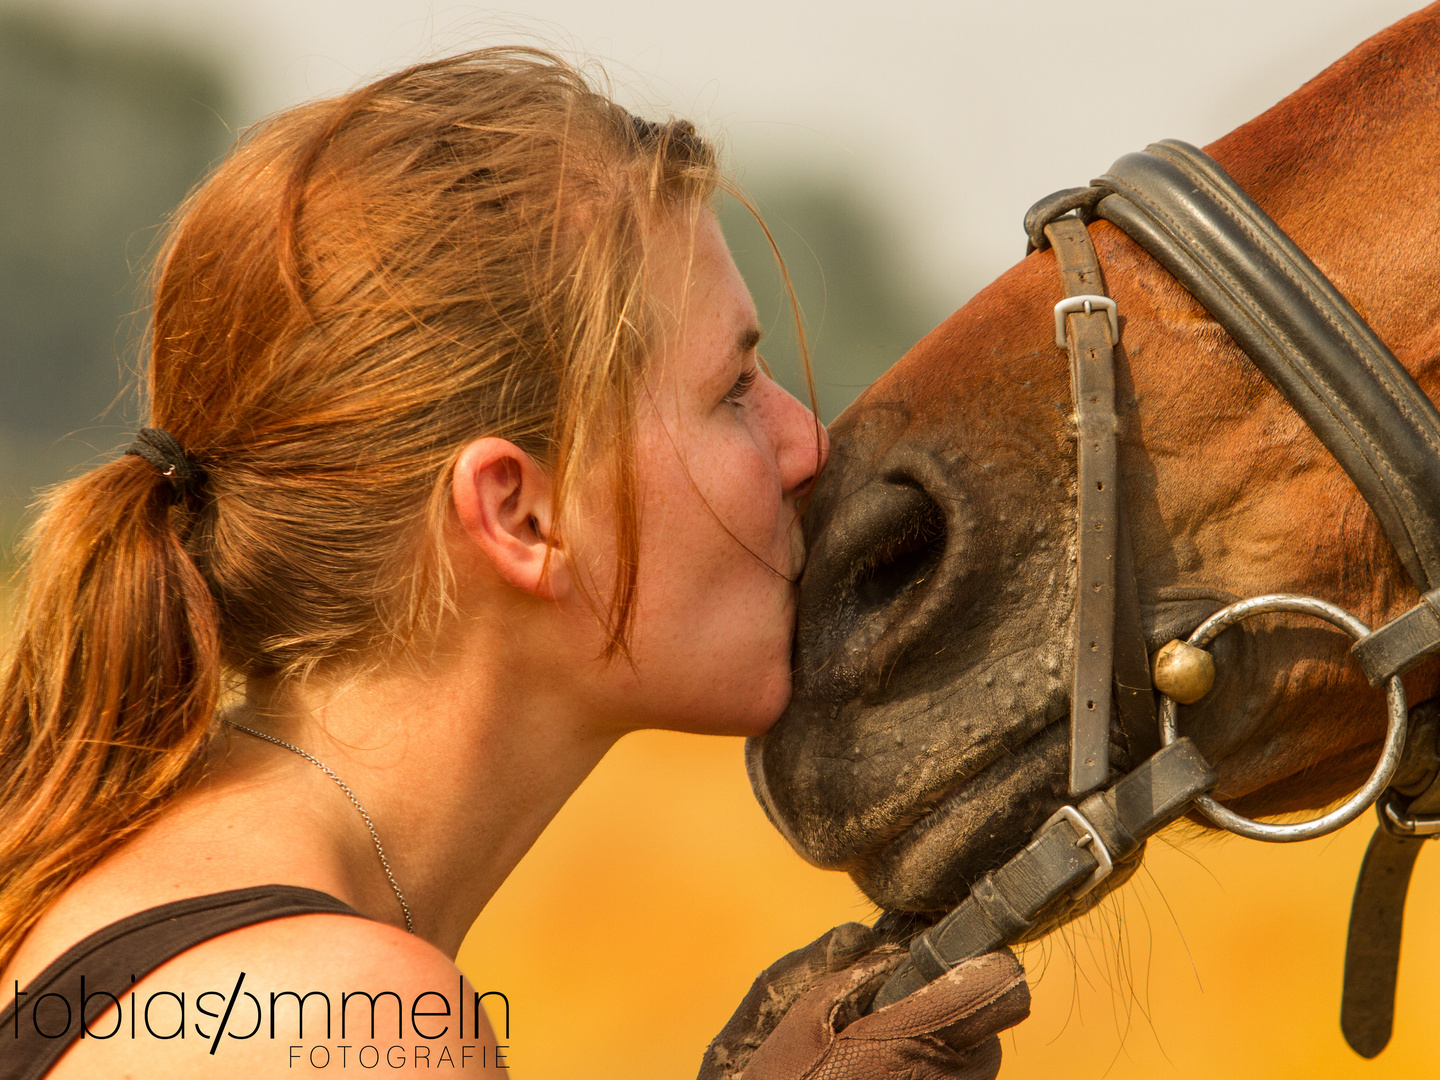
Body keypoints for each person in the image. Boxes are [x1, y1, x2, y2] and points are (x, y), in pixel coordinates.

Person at [0, 48, 1028, 1078]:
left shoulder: (138, 901)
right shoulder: (340, 1022)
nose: (806, 443)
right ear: (521, 514)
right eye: (733, 387)